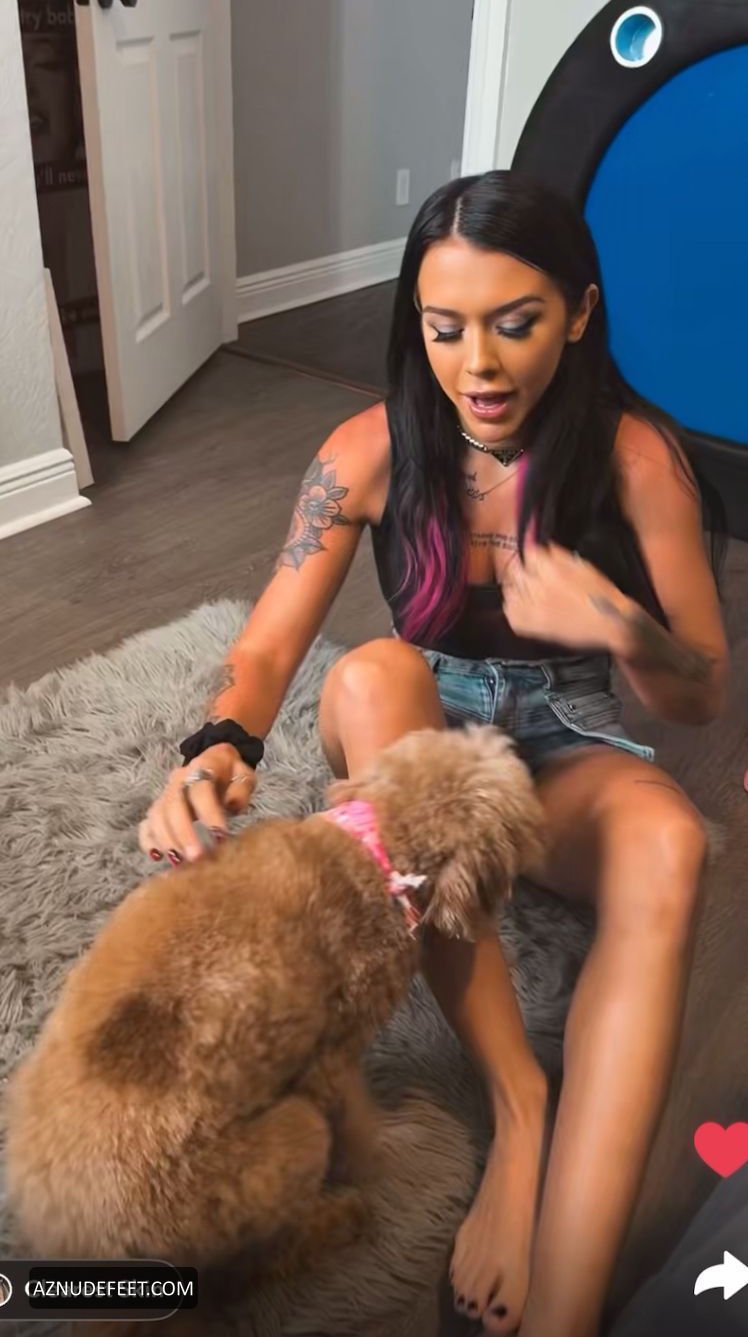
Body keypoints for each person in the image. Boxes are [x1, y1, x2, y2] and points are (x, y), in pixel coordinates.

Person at [139, 172, 728, 1337]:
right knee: (370, 673)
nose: (479, 366)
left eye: (515, 323)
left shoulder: (634, 459)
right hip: (413, 718)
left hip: (558, 736)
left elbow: (698, 695)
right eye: (445, 327)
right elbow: (267, 647)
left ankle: (566, 1312)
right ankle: (520, 1105)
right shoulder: (363, 451)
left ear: (579, 313)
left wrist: (619, 625)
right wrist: (214, 749)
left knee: (668, 839)